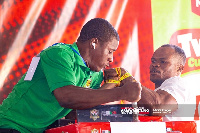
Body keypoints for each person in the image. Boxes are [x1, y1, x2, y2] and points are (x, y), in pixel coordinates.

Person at [0, 18, 142, 133]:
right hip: (12, 125)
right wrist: (122, 92)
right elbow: (67, 97)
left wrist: (111, 83)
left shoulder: (95, 73)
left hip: (41, 129)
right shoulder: (60, 54)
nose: (111, 58)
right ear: (94, 42)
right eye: (110, 51)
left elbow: (80, 107)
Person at [105, 44, 196, 121]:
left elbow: (158, 108)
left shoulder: (179, 84)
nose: (155, 65)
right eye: (153, 61)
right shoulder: (158, 93)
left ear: (179, 68)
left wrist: (125, 77)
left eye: (163, 61)